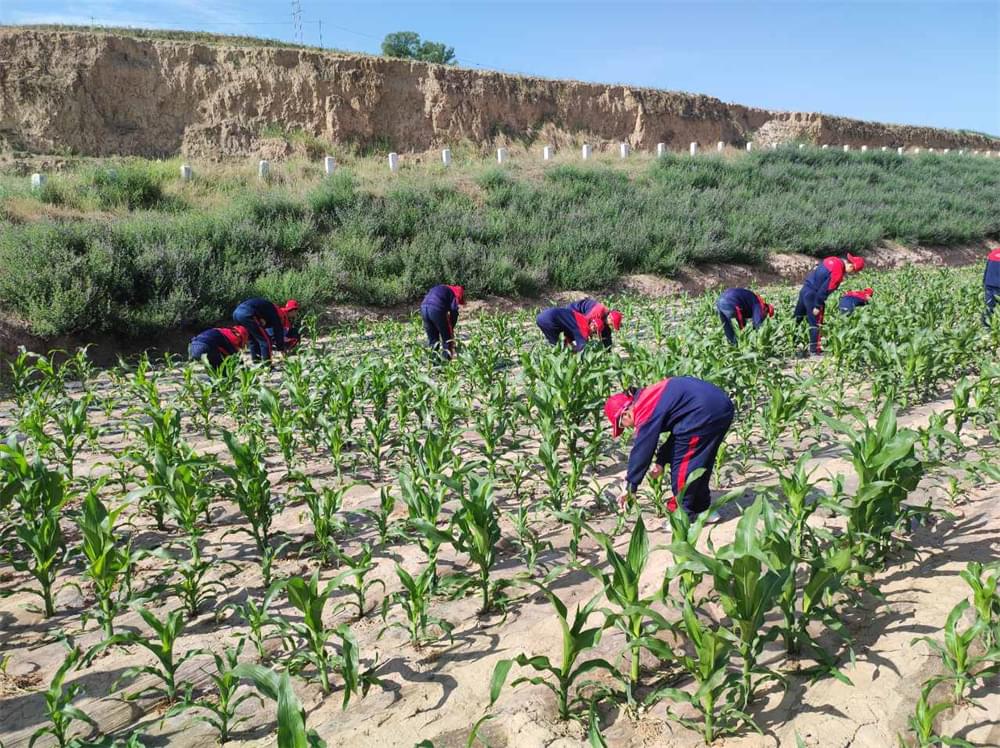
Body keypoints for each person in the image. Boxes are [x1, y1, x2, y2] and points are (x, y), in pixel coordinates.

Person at [605, 377, 735, 519]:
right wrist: (662, 460)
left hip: (702, 412)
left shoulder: (644, 407)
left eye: (622, 425)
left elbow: (643, 448)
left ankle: (680, 515)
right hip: (721, 406)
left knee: (683, 466)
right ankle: (701, 509)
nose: (628, 428)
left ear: (625, 414)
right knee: (700, 460)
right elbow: (679, 431)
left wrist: (631, 486)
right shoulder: (651, 394)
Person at [794, 253, 865, 355]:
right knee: (816, 323)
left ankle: (791, 342)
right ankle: (814, 350)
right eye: (853, 271)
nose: (852, 274)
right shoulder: (838, 272)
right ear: (850, 266)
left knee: (797, 318)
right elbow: (825, 289)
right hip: (814, 295)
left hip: (805, 289)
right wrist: (817, 305)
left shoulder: (832, 259)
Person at [232, 298, 299, 363]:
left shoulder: (273, 309)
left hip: (236, 314)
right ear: (293, 310)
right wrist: (281, 348)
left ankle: (256, 361)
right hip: (247, 313)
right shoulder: (279, 314)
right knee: (265, 341)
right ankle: (267, 365)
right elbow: (278, 331)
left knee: (253, 339)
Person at [536, 304, 605, 353]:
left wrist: (571, 346)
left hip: (542, 316)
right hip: (549, 320)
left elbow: (568, 332)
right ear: (593, 326)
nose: (592, 334)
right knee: (560, 350)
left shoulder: (582, 319)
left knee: (558, 345)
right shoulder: (584, 329)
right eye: (594, 332)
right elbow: (582, 349)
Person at [420, 284, 465, 360]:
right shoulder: (454, 292)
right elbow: (454, 311)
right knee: (447, 339)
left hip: (423, 308)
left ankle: (435, 365)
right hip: (436, 308)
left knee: (433, 340)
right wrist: (451, 328)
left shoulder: (440, 288)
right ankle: (446, 364)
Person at [985, 248, 1000, 325]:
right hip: (998, 286)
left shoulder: (993, 253)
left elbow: (986, 270)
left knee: (989, 307)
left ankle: (986, 326)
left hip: (989, 285)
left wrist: (984, 283)